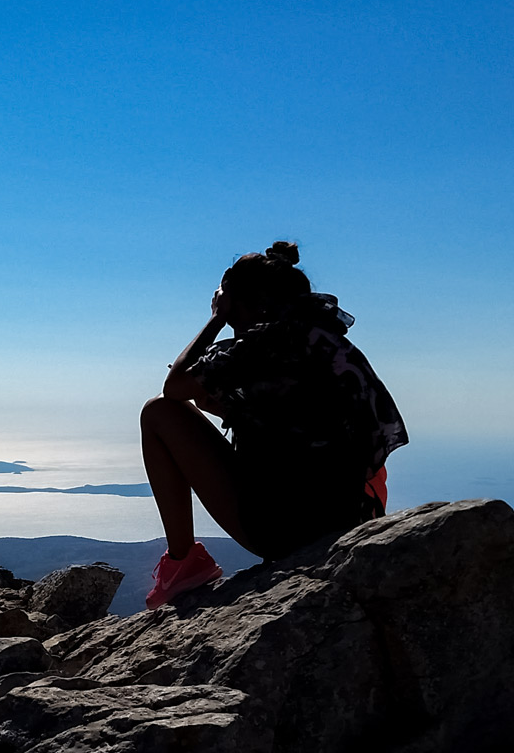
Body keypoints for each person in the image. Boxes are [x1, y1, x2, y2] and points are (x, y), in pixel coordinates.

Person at [140, 241, 408, 609]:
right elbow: (303, 427)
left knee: (158, 412)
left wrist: (216, 318)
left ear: (245, 302)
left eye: (232, 310)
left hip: (285, 530)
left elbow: (174, 387)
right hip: (349, 515)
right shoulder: (325, 341)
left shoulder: (264, 345)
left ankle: (183, 563)